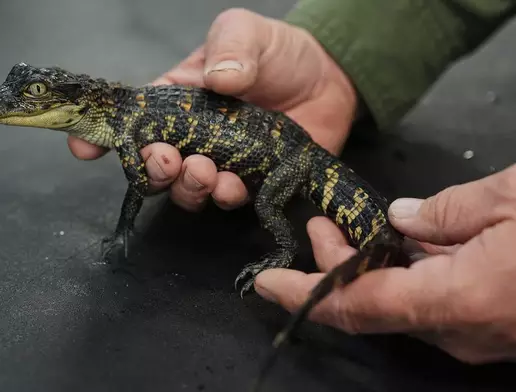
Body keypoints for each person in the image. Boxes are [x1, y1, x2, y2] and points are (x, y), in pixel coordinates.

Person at [69, 1, 516, 364]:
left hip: (293, 159)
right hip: (290, 143)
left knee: (266, 203)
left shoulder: (125, 119)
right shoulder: (125, 114)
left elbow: (137, 183)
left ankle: (282, 250)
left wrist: (125, 227)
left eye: (33, 95)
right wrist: (334, 61)